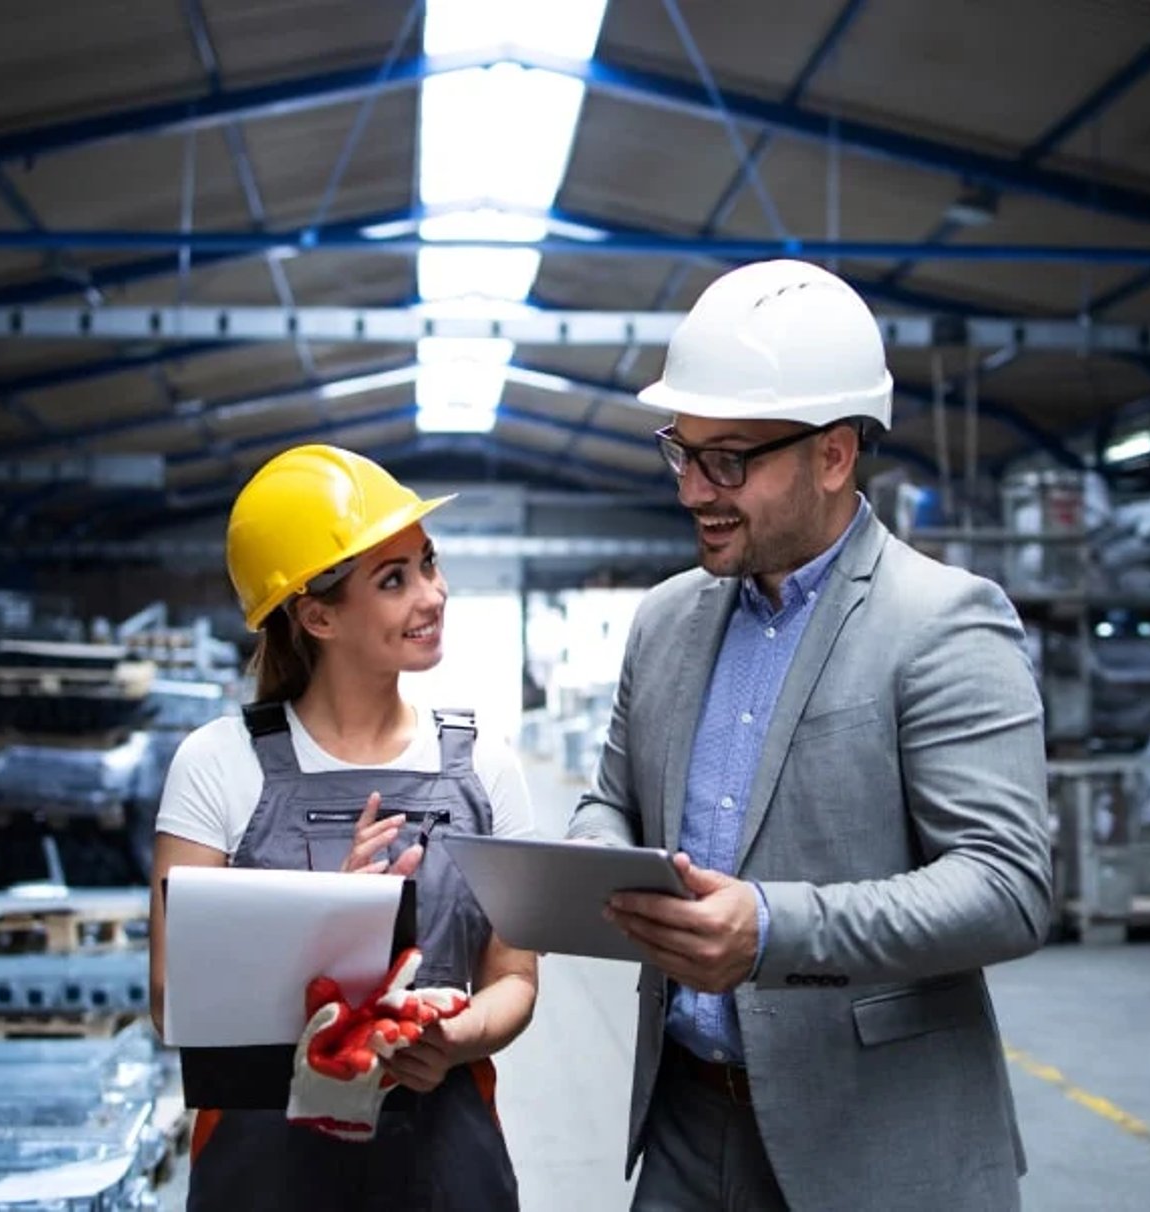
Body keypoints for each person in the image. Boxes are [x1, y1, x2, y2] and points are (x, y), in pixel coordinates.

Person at [567, 260, 1053, 1211]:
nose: (694, 491)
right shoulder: (666, 623)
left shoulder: (944, 622)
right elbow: (610, 799)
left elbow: (1006, 887)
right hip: (682, 1128)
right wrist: (594, 869)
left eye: (730, 462)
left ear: (834, 455)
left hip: (873, 1144)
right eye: (683, 452)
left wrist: (775, 930)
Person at [149, 444, 538, 1211]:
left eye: (428, 564)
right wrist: (325, 923)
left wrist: (455, 1039)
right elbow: (172, 999)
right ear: (317, 613)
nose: (433, 594)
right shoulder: (218, 764)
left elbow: (514, 979)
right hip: (265, 1167)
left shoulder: (485, 768)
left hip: (444, 1159)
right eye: (393, 580)